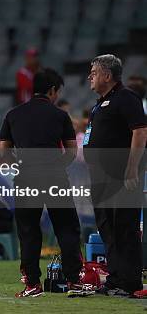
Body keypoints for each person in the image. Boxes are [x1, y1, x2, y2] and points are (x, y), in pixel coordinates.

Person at [0, 68, 94, 298]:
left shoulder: (13, 114)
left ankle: (32, 284)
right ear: (52, 90)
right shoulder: (60, 116)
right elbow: (72, 151)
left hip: (26, 178)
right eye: (57, 92)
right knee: (66, 228)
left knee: (29, 231)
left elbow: (4, 151)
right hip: (54, 177)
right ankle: (74, 281)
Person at [83, 54, 147, 297]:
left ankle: (130, 281)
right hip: (100, 176)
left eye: (94, 72)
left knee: (124, 227)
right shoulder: (101, 103)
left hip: (120, 174)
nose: (90, 76)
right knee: (107, 227)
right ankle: (116, 278)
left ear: (107, 76)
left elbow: (140, 132)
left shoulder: (126, 98)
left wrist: (132, 167)